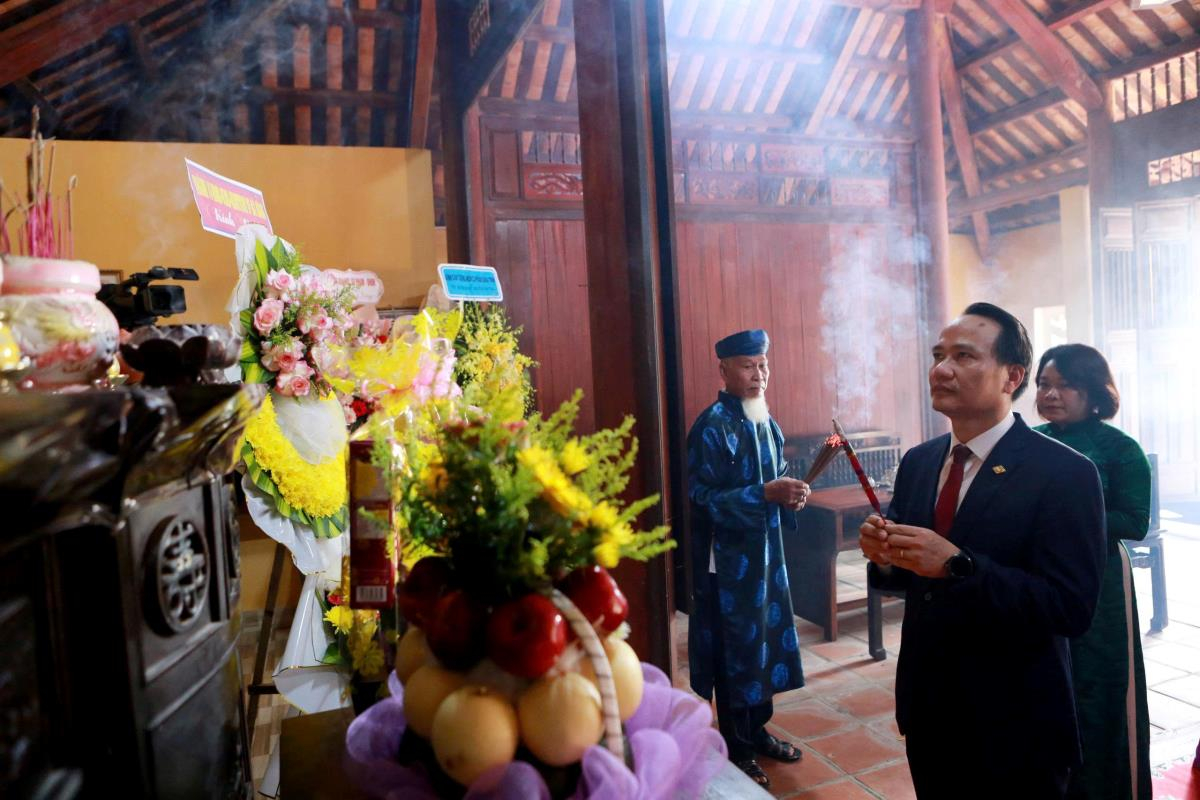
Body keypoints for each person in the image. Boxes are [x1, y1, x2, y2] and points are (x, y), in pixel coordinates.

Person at [858, 303, 1106, 799]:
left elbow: (1070, 607)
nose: (941, 369)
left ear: (1012, 376)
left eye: (964, 356)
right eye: (939, 355)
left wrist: (958, 566)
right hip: (930, 706)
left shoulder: (1065, 473)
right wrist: (885, 558)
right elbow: (912, 579)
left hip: (1016, 720)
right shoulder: (920, 462)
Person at [687, 328, 811, 790]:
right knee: (735, 648)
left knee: (766, 641)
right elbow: (700, 497)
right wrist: (764, 494)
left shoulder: (764, 419)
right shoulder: (712, 426)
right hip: (728, 563)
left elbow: (776, 477)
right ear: (723, 370)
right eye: (748, 366)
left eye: (763, 365)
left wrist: (790, 493)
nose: (759, 375)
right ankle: (736, 745)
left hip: (767, 555)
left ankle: (757, 730)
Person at [1033, 343, 1152, 800]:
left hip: (1101, 582)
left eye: (1066, 385)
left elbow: (1134, 522)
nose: (1051, 394)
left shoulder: (1120, 449)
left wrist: (1064, 519)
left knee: (1099, 686)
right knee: (1047, 683)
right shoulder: (1030, 442)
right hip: (1040, 576)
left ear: (1094, 392)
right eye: (1044, 384)